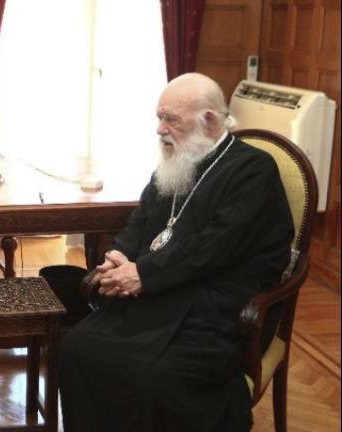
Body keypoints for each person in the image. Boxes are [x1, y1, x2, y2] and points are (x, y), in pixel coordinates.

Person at [59, 73, 294, 431]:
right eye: (159, 117)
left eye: (171, 119)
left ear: (209, 121)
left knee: (155, 377)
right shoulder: (177, 160)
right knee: (76, 347)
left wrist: (143, 274)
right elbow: (140, 220)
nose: (160, 129)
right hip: (157, 295)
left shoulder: (253, 170)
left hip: (214, 308)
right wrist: (118, 258)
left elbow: (215, 246)